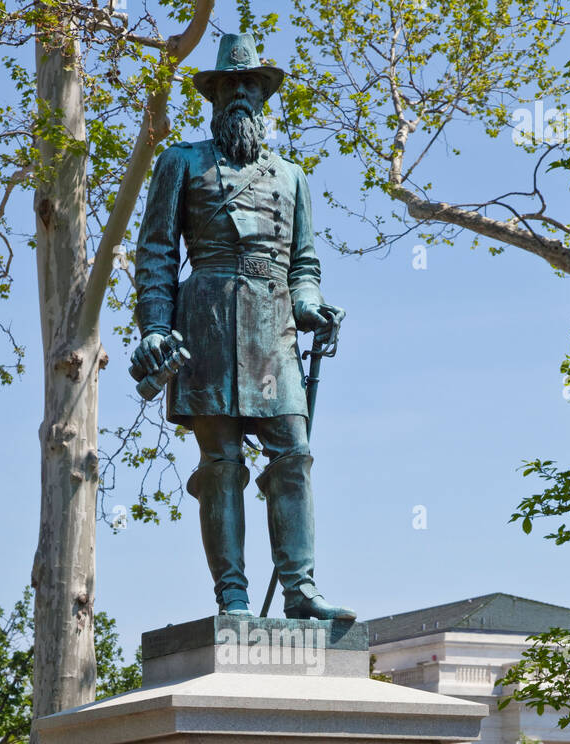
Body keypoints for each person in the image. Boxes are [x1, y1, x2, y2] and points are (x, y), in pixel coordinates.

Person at [132, 32, 355, 620]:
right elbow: (155, 252)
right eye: (230, 84)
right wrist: (155, 325)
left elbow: (304, 265)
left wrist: (311, 305)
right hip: (203, 319)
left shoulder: (292, 177)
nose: (240, 95)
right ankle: (232, 595)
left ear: (265, 96)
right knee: (222, 462)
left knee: (292, 454)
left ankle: (300, 590)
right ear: (214, 95)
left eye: (250, 86)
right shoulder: (181, 162)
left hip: (273, 327)